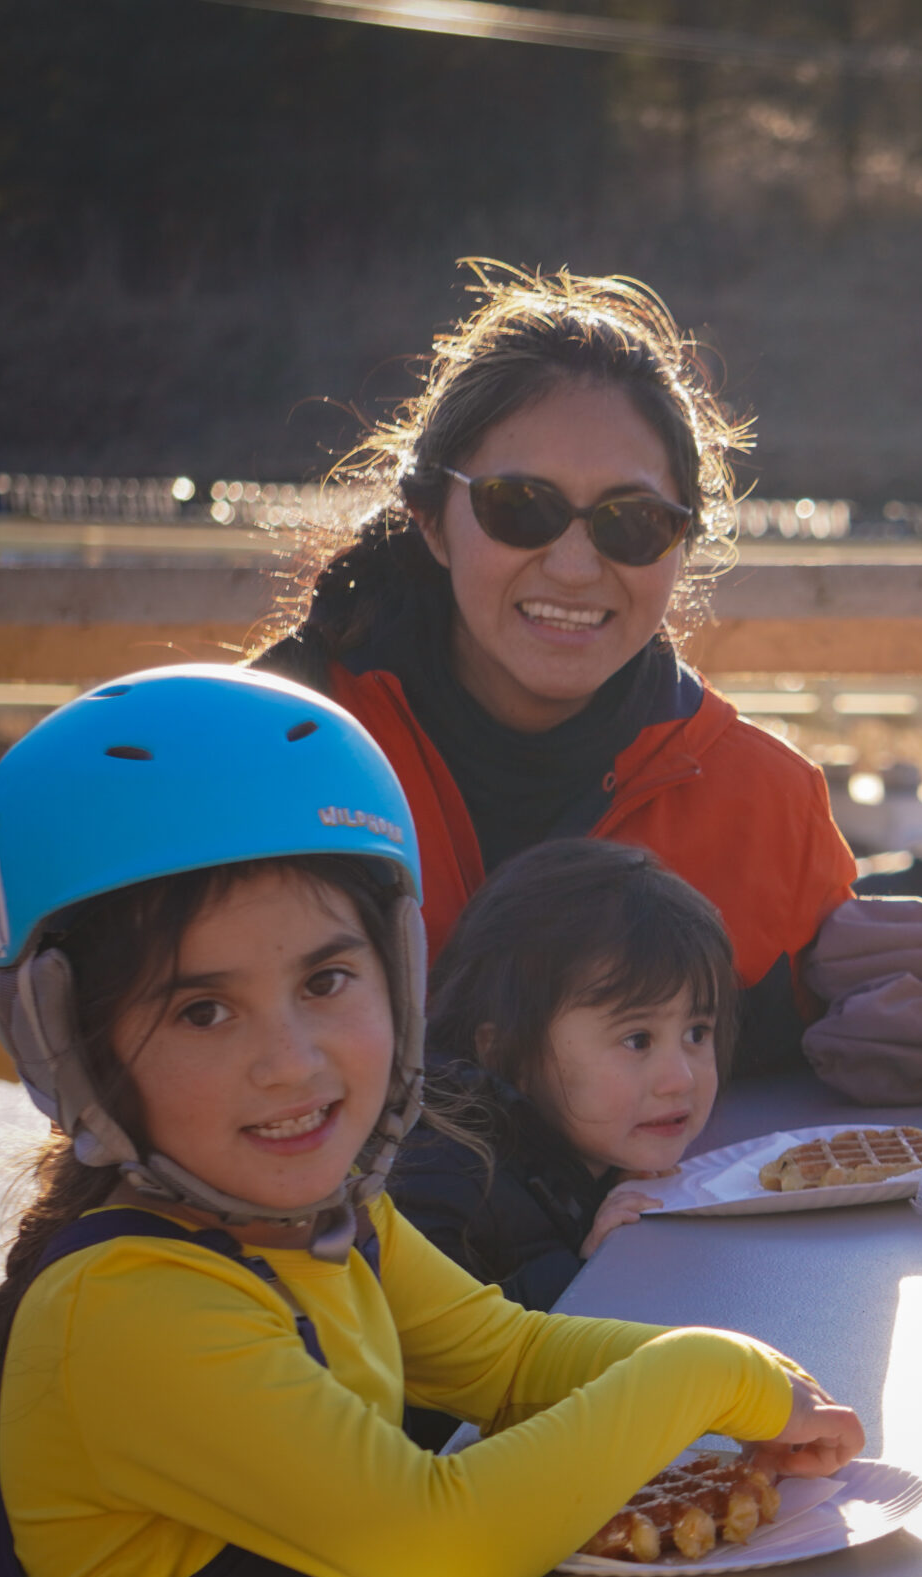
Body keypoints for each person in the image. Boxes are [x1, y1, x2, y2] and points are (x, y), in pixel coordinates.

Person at [0, 667, 862, 1577]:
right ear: (72, 1044)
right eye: (203, 1010)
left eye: (326, 981)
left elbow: (505, 1358)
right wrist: (706, 1375)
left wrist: (758, 1373)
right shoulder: (129, 1310)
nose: (290, 1062)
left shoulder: (328, 1218)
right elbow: (444, 1542)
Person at [252, 264, 856, 1076]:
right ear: (431, 519)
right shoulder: (268, 758)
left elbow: (810, 1123)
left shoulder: (768, 810)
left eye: (632, 522)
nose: (573, 567)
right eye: (519, 506)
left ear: (680, 546)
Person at [393, 838, 740, 1313]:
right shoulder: (444, 1177)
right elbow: (437, 1359)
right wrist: (585, 1274)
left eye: (697, 1032)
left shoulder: (593, 1153)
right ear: (507, 1053)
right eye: (637, 1039)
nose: (680, 1079)